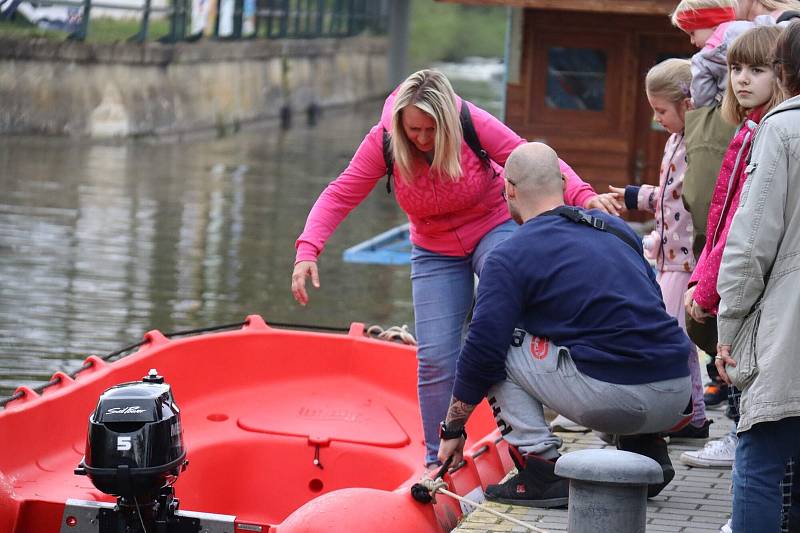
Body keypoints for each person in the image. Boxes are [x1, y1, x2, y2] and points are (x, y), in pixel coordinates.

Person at [290, 70, 618, 468]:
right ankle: (438, 458)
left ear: (447, 121)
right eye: (414, 130)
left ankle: (538, 435)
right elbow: (340, 193)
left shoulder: (472, 122)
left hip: (492, 226)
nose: (423, 139)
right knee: (435, 358)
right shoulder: (384, 140)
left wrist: (584, 195)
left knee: (498, 321)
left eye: (431, 129)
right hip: (432, 247)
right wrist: (308, 250)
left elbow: (534, 163)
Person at [436, 142, 692, 507]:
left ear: (508, 189)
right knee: (607, 333)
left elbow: (481, 353)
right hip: (677, 390)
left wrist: (453, 428)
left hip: (619, 399)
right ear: (560, 183)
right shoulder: (617, 231)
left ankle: (540, 467)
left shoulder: (507, 256)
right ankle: (645, 450)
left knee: (492, 341)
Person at [680, 25, 784, 471]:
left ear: (782, 75)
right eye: (735, 69)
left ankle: (742, 447)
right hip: (724, 270)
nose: (741, 79)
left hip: (753, 281)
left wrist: (707, 287)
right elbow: (721, 214)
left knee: (742, 366)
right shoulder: (744, 129)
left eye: (756, 70)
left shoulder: (769, 134)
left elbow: (744, 220)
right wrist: (703, 277)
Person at [715, 21, 800, 533]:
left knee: (762, 458)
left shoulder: (782, 130)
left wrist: (728, 330)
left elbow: (748, 247)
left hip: (788, 327)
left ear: (787, 70)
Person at [608, 58, 710, 438]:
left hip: (684, 259)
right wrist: (638, 197)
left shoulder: (695, 144)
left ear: (686, 103)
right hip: (668, 255)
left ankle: (688, 414)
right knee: (677, 336)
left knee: (672, 336)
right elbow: (670, 198)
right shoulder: (674, 140)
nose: (657, 119)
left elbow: (680, 196)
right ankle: (692, 414)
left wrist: (639, 196)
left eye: (661, 110)